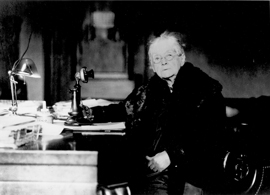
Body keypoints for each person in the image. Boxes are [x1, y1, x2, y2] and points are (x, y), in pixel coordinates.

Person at [84, 31, 228, 195]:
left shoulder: (204, 88)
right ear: (152, 65)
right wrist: (89, 112)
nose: (164, 62)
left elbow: (209, 136)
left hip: (190, 173)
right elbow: (126, 108)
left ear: (182, 58)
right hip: (154, 169)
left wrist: (170, 155)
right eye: (157, 59)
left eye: (169, 56)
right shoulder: (154, 88)